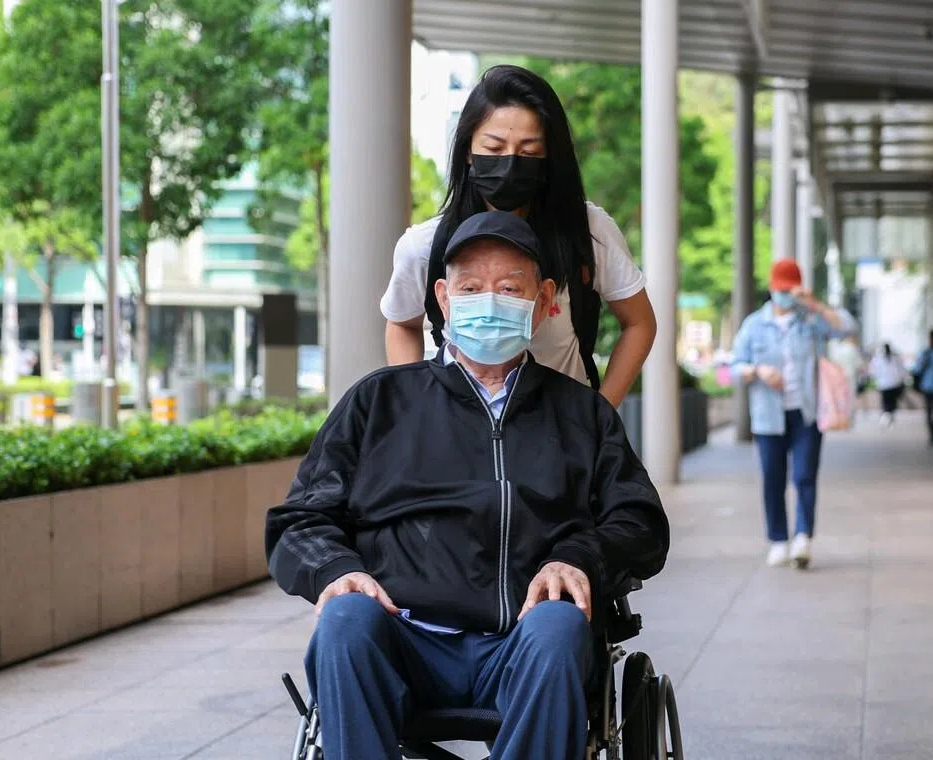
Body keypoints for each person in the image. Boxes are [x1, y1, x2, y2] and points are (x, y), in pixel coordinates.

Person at [267, 211, 670, 760]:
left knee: (559, 624)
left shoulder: (582, 414)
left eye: (509, 289)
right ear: (443, 298)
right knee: (345, 619)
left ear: (544, 301)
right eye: (471, 288)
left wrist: (578, 558)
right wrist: (336, 570)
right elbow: (299, 520)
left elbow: (641, 522)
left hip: (524, 644)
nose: (489, 302)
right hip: (404, 638)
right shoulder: (378, 403)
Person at [381, 64, 656, 408]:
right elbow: (402, 323)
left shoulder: (586, 231)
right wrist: (413, 412)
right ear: (467, 150)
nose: (509, 163)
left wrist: (598, 417)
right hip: (459, 431)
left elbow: (639, 323)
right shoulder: (425, 246)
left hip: (561, 432)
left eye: (528, 151)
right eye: (494, 148)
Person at [731, 259, 857, 569]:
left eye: (791, 290)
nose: (785, 295)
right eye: (781, 289)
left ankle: (803, 537)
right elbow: (733, 368)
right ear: (772, 288)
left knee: (804, 476)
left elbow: (847, 327)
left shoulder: (810, 321)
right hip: (767, 416)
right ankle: (778, 539)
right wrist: (758, 371)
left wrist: (814, 303)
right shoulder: (754, 325)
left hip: (806, 412)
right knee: (773, 479)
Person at [869, 343, 906, 428]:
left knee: (891, 403)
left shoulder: (895, 359)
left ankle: (889, 418)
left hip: (892, 384)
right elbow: (874, 372)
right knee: (887, 403)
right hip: (885, 384)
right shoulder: (879, 359)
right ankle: (887, 419)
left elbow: (901, 371)